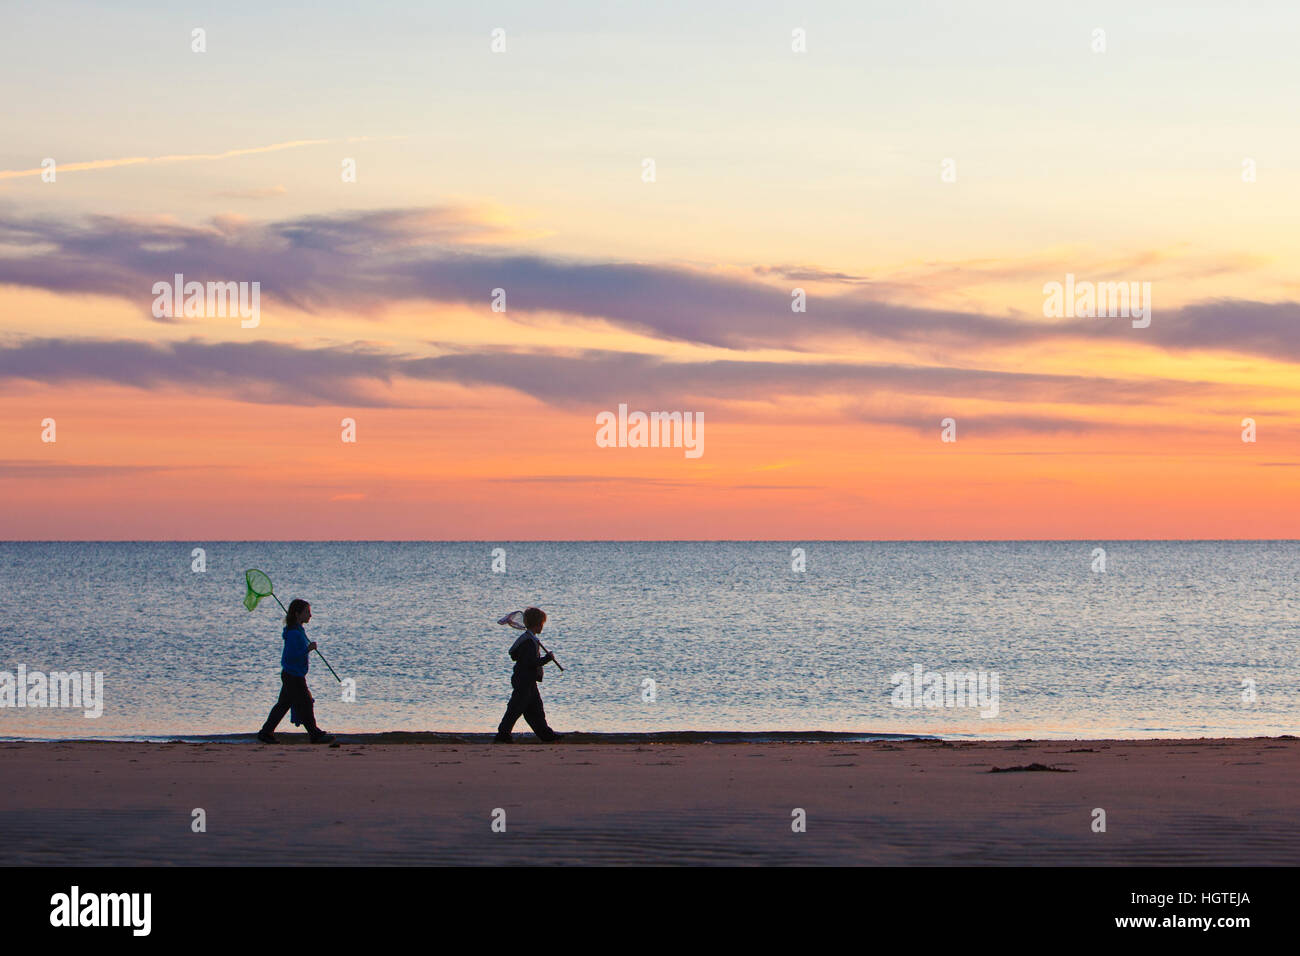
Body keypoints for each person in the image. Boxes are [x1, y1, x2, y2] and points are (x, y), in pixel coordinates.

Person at [257, 599, 335, 744]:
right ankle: (314, 734)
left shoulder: (298, 630)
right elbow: (291, 656)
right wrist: (308, 649)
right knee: (305, 703)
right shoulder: (294, 633)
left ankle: (265, 732)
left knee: (283, 705)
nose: (310, 615)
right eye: (307, 612)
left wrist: (307, 650)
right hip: (293, 675)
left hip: (293, 674)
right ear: (298, 614)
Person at [495, 606, 563, 743]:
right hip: (524, 680)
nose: (542, 627)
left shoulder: (530, 639)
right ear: (537, 624)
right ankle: (503, 734)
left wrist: (544, 659)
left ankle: (547, 735)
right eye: (541, 624)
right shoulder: (528, 642)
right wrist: (546, 659)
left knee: (535, 711)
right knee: (516, 708)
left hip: (527, 680)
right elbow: (530, 662)